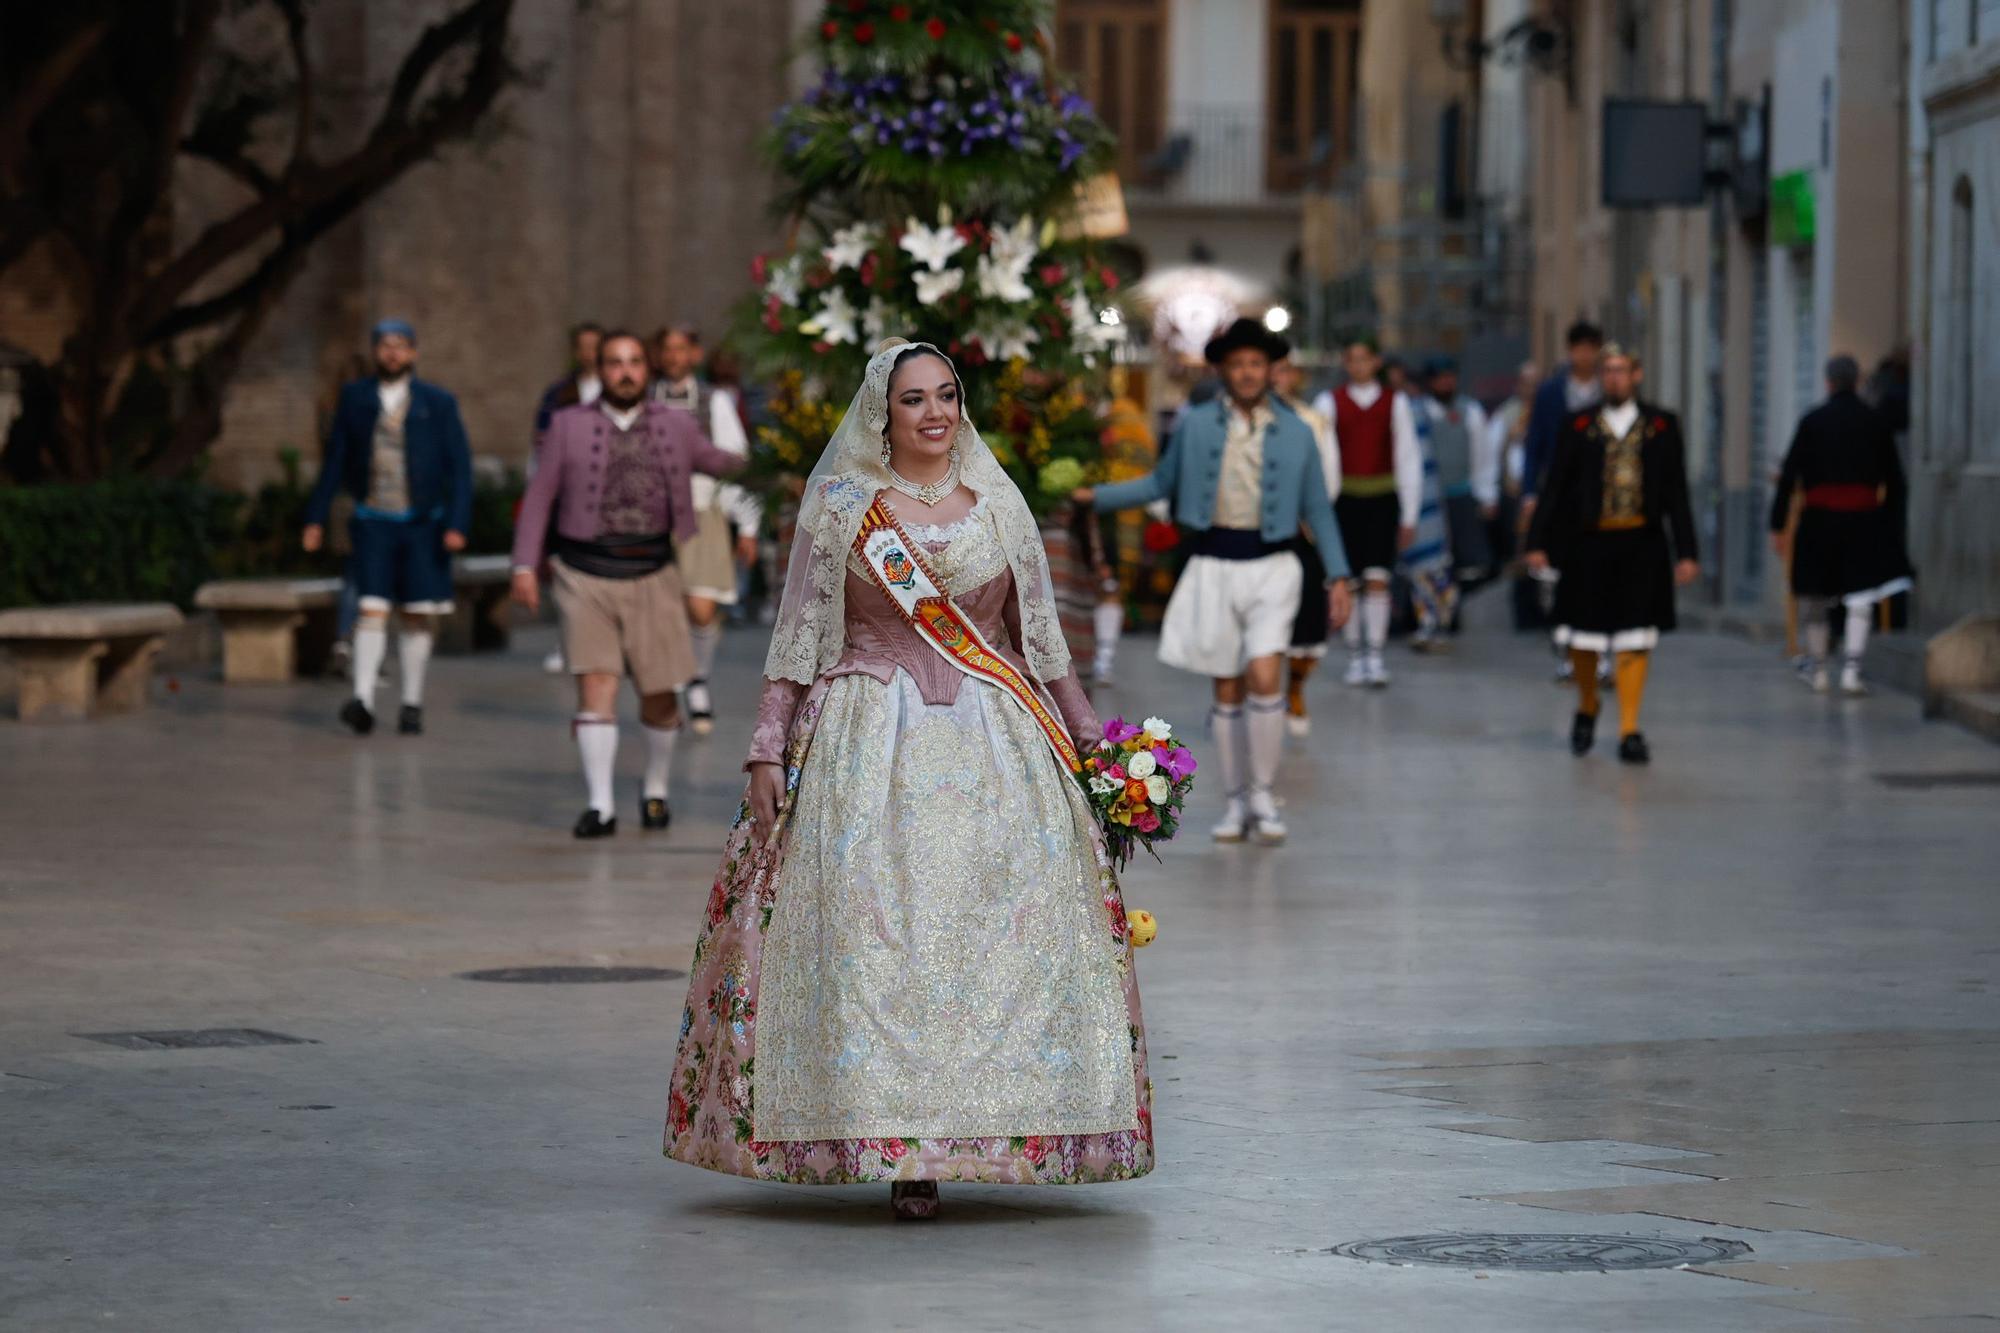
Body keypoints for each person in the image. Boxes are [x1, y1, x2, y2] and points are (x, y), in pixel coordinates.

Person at [664, 339, 1151, 1220]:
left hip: (996, 742)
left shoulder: (1001, 506)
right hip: (864, 734)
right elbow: (797, 642)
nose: (934, 412)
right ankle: (894, 1143)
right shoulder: (845, 508)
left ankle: (1002, 1130)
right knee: (869, 938)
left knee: (1000, 936)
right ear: (881, 414)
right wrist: (766, 747)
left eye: (947, 395)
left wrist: (1095, 749)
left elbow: (1041, 645)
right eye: (914, 398)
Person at [1079, 318, 1352, 844]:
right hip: (1214, 564)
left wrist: (1339, 576)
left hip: (1275, 565)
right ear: (1224, 371)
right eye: (1237, 364)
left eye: (1256, 364)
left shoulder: (1298, 429)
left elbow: (1317, 507)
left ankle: (1263, 796)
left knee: (1266, 672)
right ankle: (1233, 801)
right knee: (1226, 683)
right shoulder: (1198, 424)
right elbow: (1161, 482)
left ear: (1270, 370)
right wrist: (1097, 497)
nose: (1247, 373)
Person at [510, 331, 746, 838]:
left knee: (660, 694)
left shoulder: (676, 425)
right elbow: (538, 498)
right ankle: (600, 805)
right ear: (602, 368)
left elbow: (721, 462)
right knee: (595, 682)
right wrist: (524, 565)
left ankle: (655, 789)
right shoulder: (567, 426)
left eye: (634, 362)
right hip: (583, 573)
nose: (625, 371)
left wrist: (790, 461)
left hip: (654, 571)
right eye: (614, 362)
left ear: (647, 369)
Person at [1525, 345, 1699, 765]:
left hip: (1642, 544)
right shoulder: (1579, 425)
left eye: (1621, 370)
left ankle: (1630, 729)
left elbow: (1676, 490)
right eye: (1607, 371)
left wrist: (1687, 551)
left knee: (1634, 638)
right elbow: (1556, 486)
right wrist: (1537, 542)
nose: (1614, 378)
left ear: (1637, 374)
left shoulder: (1661, 425)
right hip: (1588, 545)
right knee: (1582, 638)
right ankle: (1588, 704)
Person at [303, 319, 472, 736]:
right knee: (370, 609)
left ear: (413, 352)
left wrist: (457, 522)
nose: (392, 353)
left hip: (423, 525)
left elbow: (461, 468)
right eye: (385, 345)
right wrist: (315, 517)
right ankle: (362, 700)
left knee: (416, 615)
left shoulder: (438, 402)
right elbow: (336, 461)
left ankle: (411, 703)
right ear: (375, 351)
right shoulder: (355, 398)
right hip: (373, 520)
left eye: (401, 346)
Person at [1769, 354, 1913, 696]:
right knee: (1861, 597)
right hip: (1865, 521)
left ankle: (1818, 669)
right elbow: (1895, 480)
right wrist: (1889, 523)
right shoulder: (1875, 423)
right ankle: (1852, 671)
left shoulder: (1812, 421)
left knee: (1816, 596)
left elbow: (1790, 476)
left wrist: (1778, 525)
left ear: (1828, 382)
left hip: (1819, 522)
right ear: (1857, 381)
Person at [650, 325, 762, 735]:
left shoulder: (713, 401)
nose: (675, 357)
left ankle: (697, 678)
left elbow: (736, 460)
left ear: (694, 355)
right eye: (668, 349)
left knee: (701, 607)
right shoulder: (647, 400)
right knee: (664, 609)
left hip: (701, 509)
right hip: (654, 514)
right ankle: (674, 687)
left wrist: (747, 523)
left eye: (682, 349)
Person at [1311, 338, 1420, 688]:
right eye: (1352, 359)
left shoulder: (1395, 402)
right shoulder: (1329, 402)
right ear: (1345, 363)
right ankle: (1357, 655)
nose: (1358, 365)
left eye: (1365, 359)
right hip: (1345, 501)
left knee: (1377, 578)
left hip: (1382, 500)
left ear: (1376, 362)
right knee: (1350, 581)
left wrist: (1410, 514)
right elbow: (1322, 457)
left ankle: (1375, 654)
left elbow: (1407, 458)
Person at [1523, 322, 1605, 681]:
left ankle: (1599, 653)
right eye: (1579, 348)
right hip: (1559, 496)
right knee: (1557, 577)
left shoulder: (1608, 391)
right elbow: (1534, 443)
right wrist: (1529, 493)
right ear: (1570, 351)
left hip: (1601, 496)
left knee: (1600, 574)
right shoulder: (1551, 392)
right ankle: (1566, 649)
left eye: (1592, 348)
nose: (1585, 355)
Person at [1271, 356, 1339, 733]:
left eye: (1285, 370)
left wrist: (1308, 512)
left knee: (1305, 618)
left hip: (1302, 532)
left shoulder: (1312, 421)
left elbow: (1329, 476)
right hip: (1256, 532)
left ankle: (1294, 688)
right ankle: (1254, 694)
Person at [534, 322, 604, 442]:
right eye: (583, 347)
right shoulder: (559, 391)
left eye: (594, 347)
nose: (589, 353)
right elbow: (542, 433)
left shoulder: (616, 389)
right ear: (576, 352)